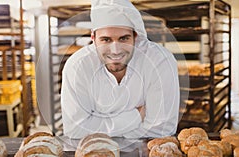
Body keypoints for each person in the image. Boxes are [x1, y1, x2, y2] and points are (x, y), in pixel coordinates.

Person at [60, 0, 180, 139]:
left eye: (123, 39)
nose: (115, 51)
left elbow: (162, 129)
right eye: (106, 40)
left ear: (135, 37)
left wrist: (96, 128)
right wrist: (135, 117)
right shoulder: (77, 66)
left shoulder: (160, 60)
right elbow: (75, 130)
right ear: (93, 38)